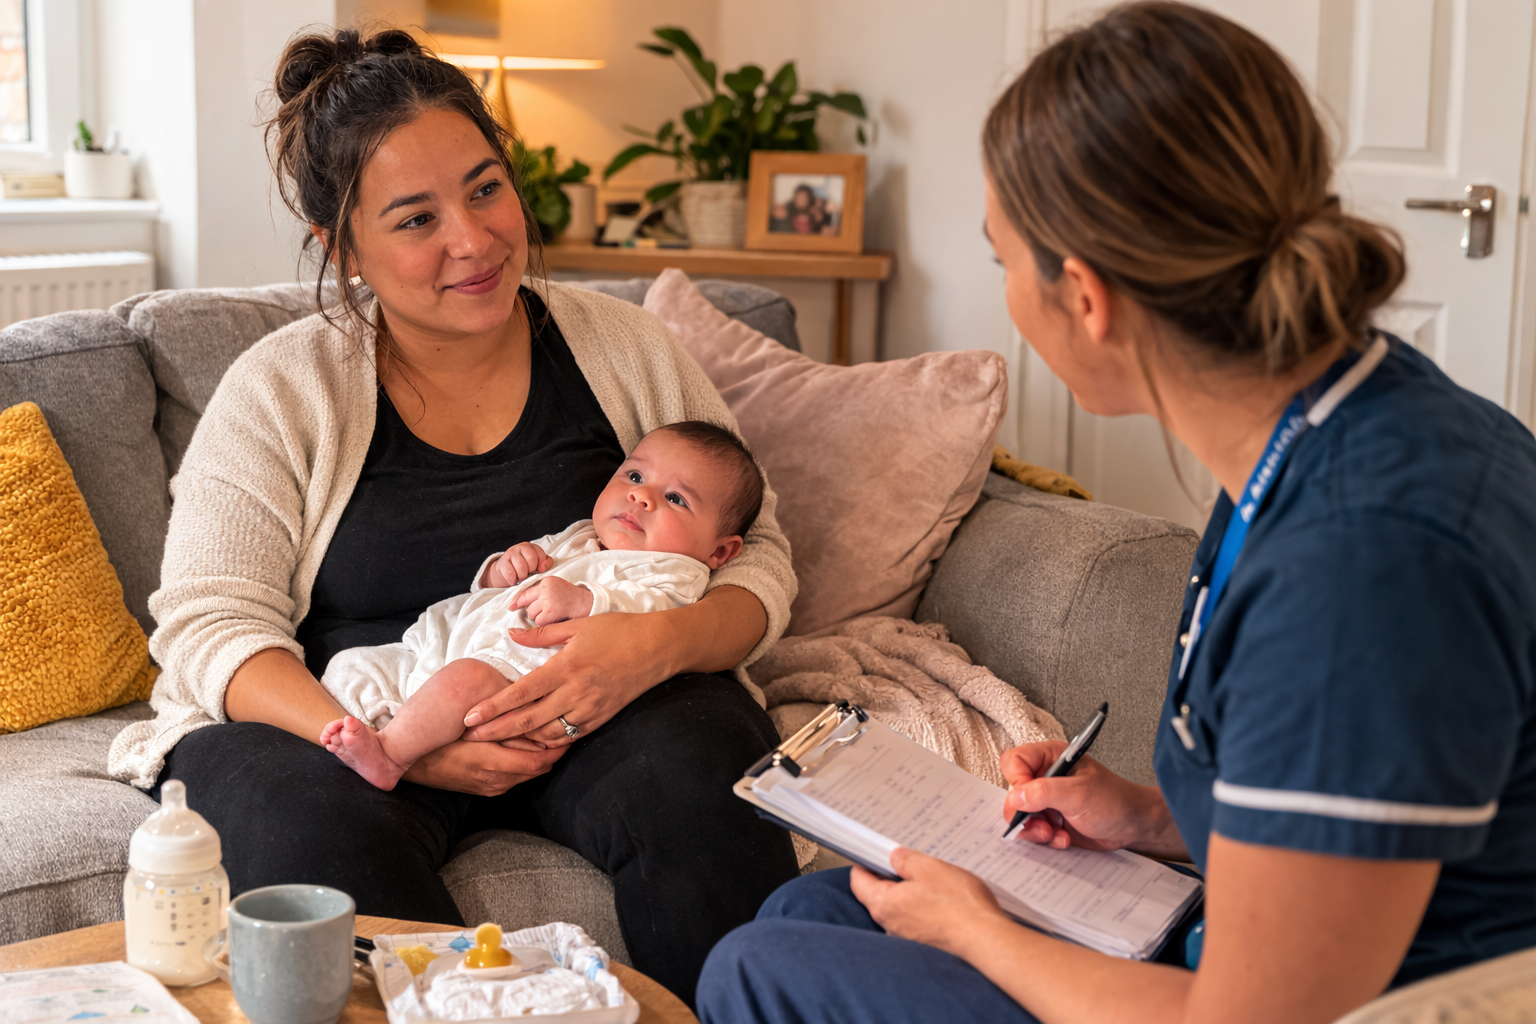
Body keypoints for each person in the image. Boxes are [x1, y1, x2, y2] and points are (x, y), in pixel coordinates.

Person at [696, 4, 1536, 1023]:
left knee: (758, 969)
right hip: (1235, 933)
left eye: (1003, 259)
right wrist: (1139, 817)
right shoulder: (1335, 418)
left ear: (1085, 296)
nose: (1005, 288)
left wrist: (982, 932)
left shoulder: (1361, 568)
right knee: (809, 908)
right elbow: (1351, 804)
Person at [104, 27, 799, 1004]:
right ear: (340, 246)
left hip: (583, 703)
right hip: (355, 711)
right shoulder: (281, 388)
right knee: (289, 821)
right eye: (415, 218)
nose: (472, 240)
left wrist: (655, 645)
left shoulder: (624, 346)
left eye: (485, 189)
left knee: (700, 765)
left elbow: (754, 553)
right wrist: (388, 736)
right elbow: (212, 624)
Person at [318, 421, 765, 791]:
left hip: (511, 672)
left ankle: (391, 756)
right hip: (446, 642)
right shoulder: (582, 535)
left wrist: (586, 601)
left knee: (460, 684)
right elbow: (499, 581)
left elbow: (657, 612)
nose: (641, 497)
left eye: (675, 499)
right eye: (634, 476)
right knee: (352, 667)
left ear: (721, 553)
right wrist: (506, 566)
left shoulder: (675, 571)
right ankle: (371, 729)